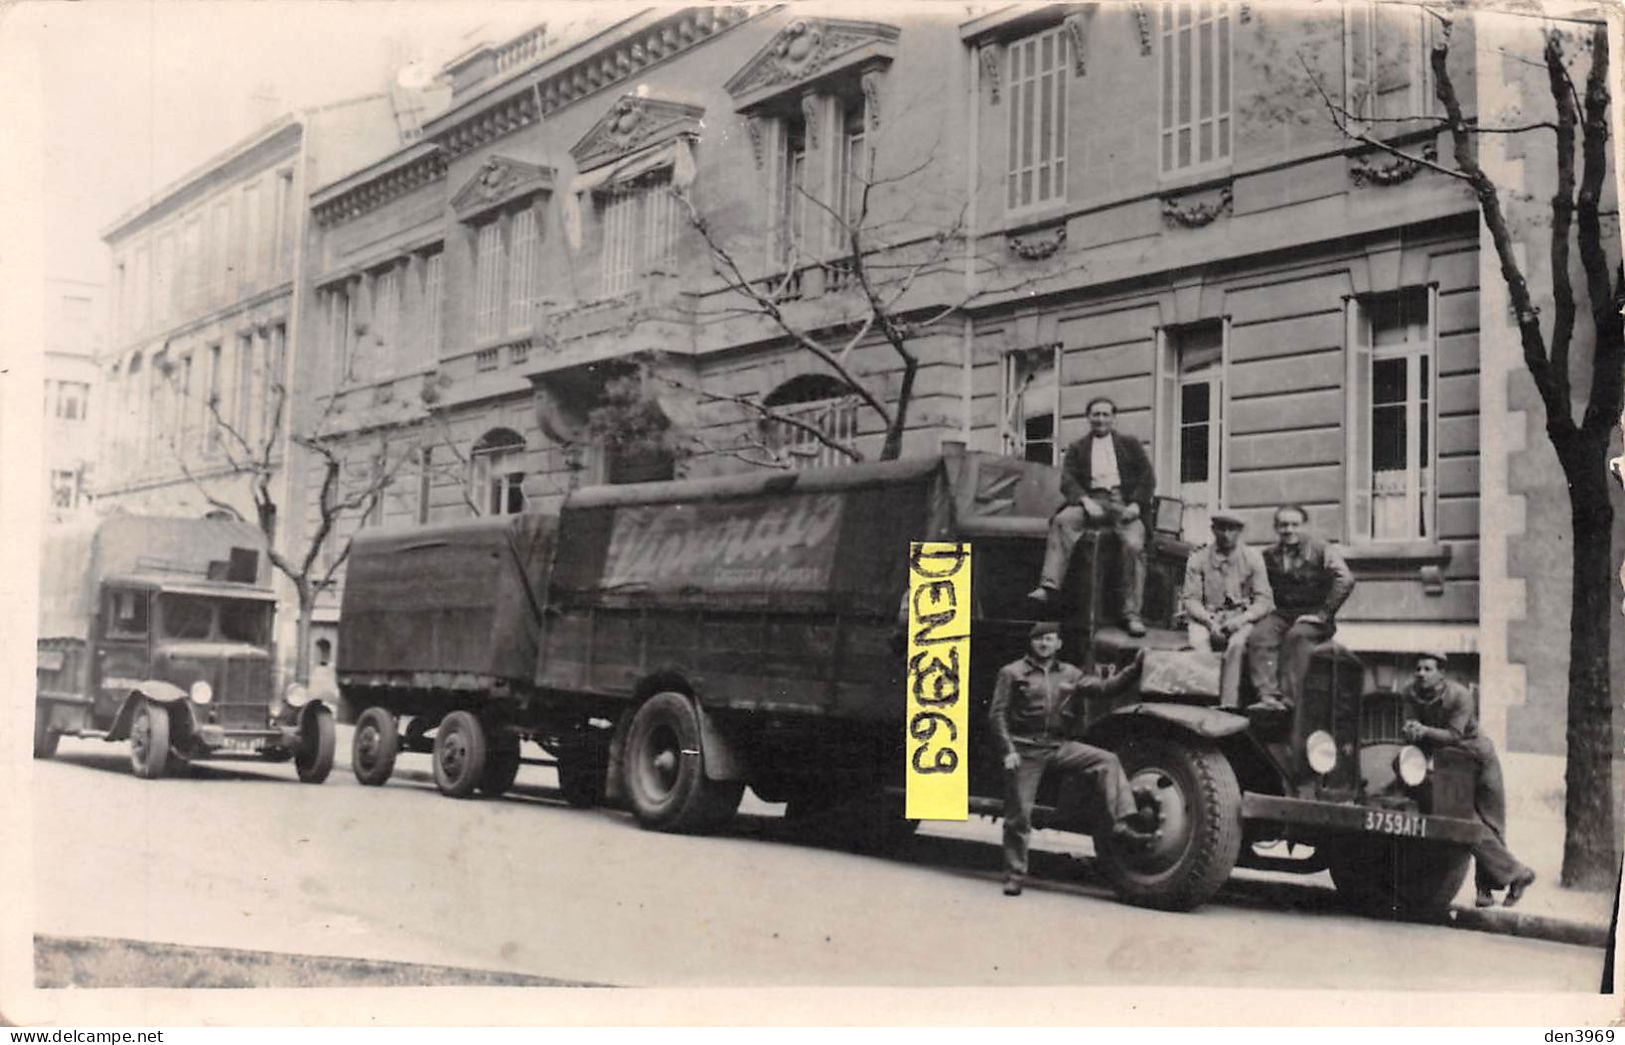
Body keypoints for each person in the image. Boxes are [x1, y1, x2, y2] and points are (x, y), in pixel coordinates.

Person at [989, 621, 1153, 896]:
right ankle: (1014, 875)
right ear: (1032, 643)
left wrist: (1135, 668)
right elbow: (997, 715)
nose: (1044, 644)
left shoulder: (1070, 673)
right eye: (1039, 639)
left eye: (1050, 639)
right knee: (1019, 815)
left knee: (1107, 761)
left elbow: (1105, 688)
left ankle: (1124, 822)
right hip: (1025, 749)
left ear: (1058, 644)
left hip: (1059, 745)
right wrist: (1009, 751)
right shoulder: (1012, 672)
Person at [1402, 652, 1537, 908]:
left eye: (1428, 669)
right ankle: (1518, 874)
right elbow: (1411, 728)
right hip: (1450, 763)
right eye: (1418, 668)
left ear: (1442, 673)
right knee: (1467, 822)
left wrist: (1423, 731)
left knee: (1492, 822)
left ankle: (1486, 891)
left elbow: (1454, 734)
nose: (1421, 673)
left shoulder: (1460, 695)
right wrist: (1411, 731)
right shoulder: (1409, 692)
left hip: (1478, 755)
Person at [1028, 397, 1156, 637]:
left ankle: (1132, 614)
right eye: (1095, 414)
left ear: (1113, 418)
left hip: (1123, 503)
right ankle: (1049, 585)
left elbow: (1147, 477)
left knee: (1134, 545)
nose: (1100, 419)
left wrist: (1137, 505)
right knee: (1062, 521)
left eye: (1105, 414)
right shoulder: (1078, 448)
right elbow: (1068, 480)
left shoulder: (1130, 445)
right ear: (1088, 418)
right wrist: (1086, 502)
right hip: (1091, 500)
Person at [1245, 504, 1355, 712]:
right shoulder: (1268, 555)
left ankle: (1289, 700)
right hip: (1283, 614)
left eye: (1295, 524)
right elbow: (1252, 581)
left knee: (1296, 637)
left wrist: (1323, 614)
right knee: (1259, 635)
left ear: (1304, 526)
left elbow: (1345, 579)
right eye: (1283, 525)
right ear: (1276, 528)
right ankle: (1268, 696)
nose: (1289, 530)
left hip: (1314, 617)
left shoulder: (1321, 550)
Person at [1180, 511, 1273, 707]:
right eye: (1221, 528)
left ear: (1240, 532)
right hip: (1206, 617)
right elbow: (1190, 599)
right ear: (1213, 530)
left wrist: (1242, 619)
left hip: (1241, 617)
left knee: (1237, 645)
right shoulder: (1198, 558)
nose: (1226, 534)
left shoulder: (1253, 558)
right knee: (1199, 644)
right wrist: (1208, 620)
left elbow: (1264, 600)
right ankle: (1203, 699)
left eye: (1232, 529)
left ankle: (1227, 704)